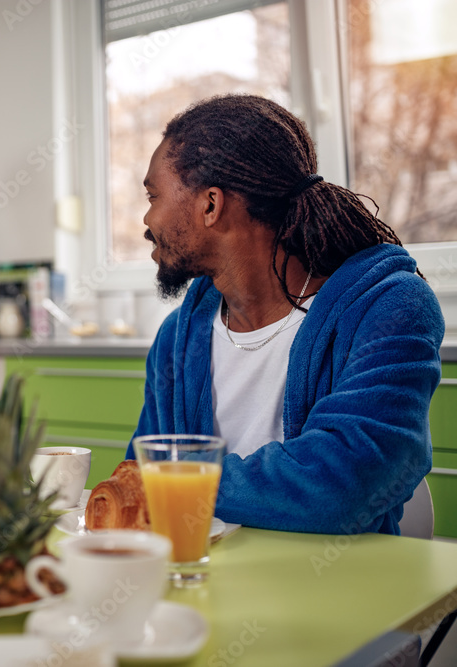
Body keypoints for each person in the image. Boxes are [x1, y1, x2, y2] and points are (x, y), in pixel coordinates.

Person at [127, 94, 443, 535]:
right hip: (206, 583)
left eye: (153, 195)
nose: (147, 219)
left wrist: (175, 483)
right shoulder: (177, 339)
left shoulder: (389, 309)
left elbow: (340, 485)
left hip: (343, 590)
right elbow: (136, 481)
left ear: (211, 205)